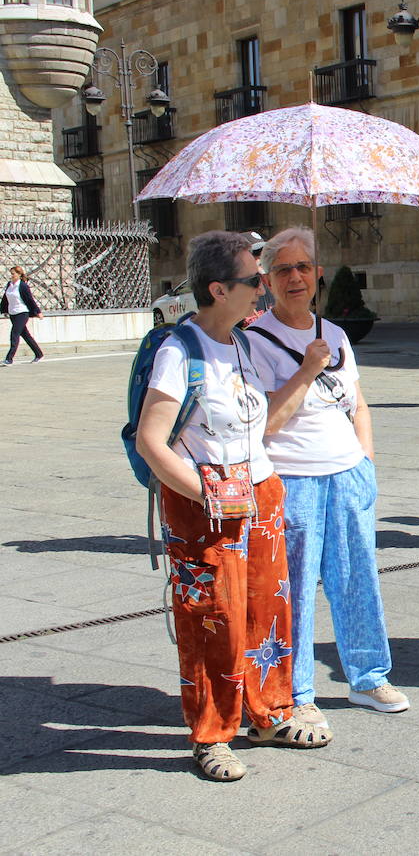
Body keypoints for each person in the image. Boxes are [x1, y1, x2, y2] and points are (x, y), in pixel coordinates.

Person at [135, 230, 330, 782]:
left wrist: (310, 366)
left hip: (259, 494)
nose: (264, 288)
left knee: (268, 609)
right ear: (219, 289)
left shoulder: (243, 343)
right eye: (253, 280)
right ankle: (212, 734)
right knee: (212, 619)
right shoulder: (181, 350)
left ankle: (268, 712)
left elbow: (261, 416)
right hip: (205, 507)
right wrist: (207, 494)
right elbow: (151, 440)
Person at [247, 227, 408, 726]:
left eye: (303, 267)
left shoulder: (333, 333)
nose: (294, 277)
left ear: (317, 274)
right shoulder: (252, 341)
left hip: (347, 474)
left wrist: (367, 462)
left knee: (357, 579)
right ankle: (296, 691)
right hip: (292, 479)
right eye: (282, 270)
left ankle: (368, 676)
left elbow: (357, 403)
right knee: (292, 588)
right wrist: (305, 369)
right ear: (267, 280)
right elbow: (265, 422)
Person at [3, 266, 43, 365]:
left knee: (14, 334)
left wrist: (37, 312)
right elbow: (5, 298)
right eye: (11, 273)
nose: (11, 275)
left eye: (13, 273)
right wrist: (4, 310)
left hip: (22, 312)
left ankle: (9, 358)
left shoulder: (22, 286)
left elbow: (30, 299)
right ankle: (39, 354)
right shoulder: (9, 285)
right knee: (25, 335)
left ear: (19, 274)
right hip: (13, 313)